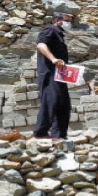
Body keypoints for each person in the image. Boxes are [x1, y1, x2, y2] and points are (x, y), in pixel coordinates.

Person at [33, 12, 73, 140]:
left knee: (64, 103)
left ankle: (59, 135)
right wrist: (53, 59)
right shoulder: (50, 29)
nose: (69, 22)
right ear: (57, 20)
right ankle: (40, 133)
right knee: (52, 99)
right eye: (67, 19)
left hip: (60, 75)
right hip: (50, 73)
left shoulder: (59, 34)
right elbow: (40, 45)